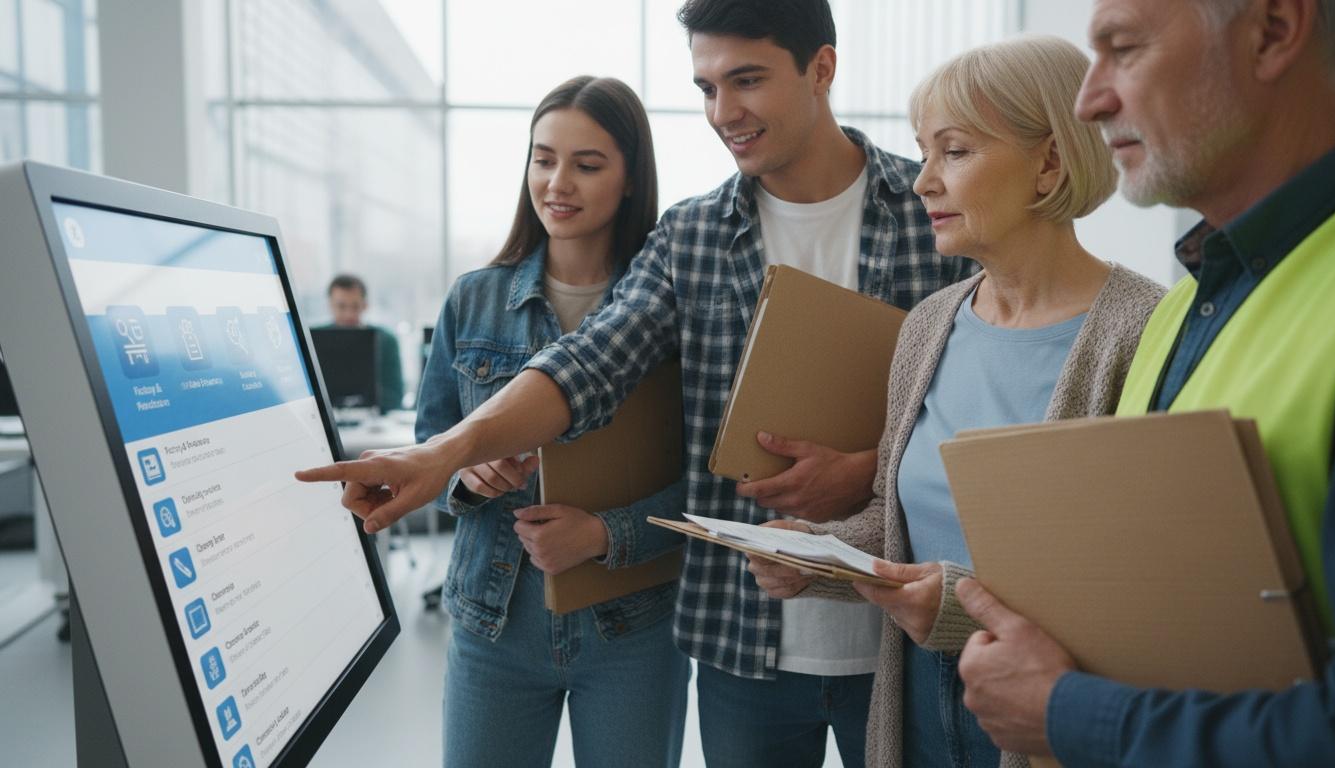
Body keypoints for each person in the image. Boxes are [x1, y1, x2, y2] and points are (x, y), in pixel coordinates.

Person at [297, 1, 975, 764]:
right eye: (706, 87)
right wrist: (444, 453)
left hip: (899, 635)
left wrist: (868, 475)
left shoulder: (934, 212)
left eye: (746, 80)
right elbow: (589, 363)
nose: (724, 112)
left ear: (821, 68)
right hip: (741, 640)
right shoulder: (690, 237)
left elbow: (981, 406)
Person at [941, 1, 1335, 765]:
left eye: (1123, 49)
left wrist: (1067, 712)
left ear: (1273, 32)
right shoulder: (1189, 304)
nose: (1090, 100)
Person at [746, 35, 1164, 768]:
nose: (922, 182)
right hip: (913, 700)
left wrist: (953, 604)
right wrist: (820, 558)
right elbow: (900, 521)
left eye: (955, 151)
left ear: (1050, 162)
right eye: (922, 152)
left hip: (1049, 719)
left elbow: (1137, 584)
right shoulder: (928, 325)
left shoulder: (1144, 332)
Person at [416, 76, 690, 768]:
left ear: (631, 178)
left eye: (587, 164)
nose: (557, 182)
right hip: (493, 621)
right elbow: (432, 446)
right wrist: (468, 475)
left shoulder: (673, 311)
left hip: (634, 630)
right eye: (543, 159)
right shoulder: (473, 302)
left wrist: (606, 535)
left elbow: (710, 481)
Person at [319, 274, 404, 412]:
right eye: (341, 306)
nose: (349, 314)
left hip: (372, 423)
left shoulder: (386, 340)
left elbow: (395, 396)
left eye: (355, 306)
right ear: (330, 305)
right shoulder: (310, 340)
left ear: (365, 305)